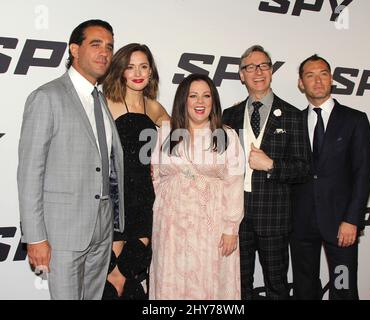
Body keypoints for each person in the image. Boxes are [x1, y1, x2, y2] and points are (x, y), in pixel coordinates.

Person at [17, 19, 125, 300]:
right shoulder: (47, 97)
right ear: (74, 50)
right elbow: (30, 172)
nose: (105, 52)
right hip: (63, 230)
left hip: (101, 227)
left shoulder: (99, 99)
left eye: (110, 47)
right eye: (96, 44)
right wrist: (36, 236)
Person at [222, 45, 309, 300]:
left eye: (263, 66)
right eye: (250, 67)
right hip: (236, 217)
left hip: (274, 217)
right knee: (239, 287)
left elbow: (304, 169)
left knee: (277, 287)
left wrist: (271, 164)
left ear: (271, 71)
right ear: (241, 75)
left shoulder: (293, 115)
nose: (257, 72)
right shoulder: (230, 115)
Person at [149, 74, 245, 299]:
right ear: (183, 100)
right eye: (193, 96)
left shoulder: (227, 136)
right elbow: (156, 177)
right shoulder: (165, 132)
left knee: (209, 285)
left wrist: (231, 228)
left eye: (206, 96)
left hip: (213, 227)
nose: (200, 102)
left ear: (214, 101)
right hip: (170, 227)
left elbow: (235, 182)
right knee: (170, 281)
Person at [290, 54, 370, 300]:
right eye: (310, 75)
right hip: (301, 224)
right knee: (305, 288)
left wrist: (352, 219)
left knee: (343, 286)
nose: (317, 81)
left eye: (323, 74)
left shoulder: (354, 120)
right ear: (300, 83)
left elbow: (364, 173)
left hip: (341, 225)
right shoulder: (293, 121)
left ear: (331, 79)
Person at [101, 43, 169, 299]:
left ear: (151, 72)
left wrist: (217, 121)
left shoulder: (155, 108)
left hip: (145, 200)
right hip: (114, 202)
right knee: (109, 276)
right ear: (120, 71)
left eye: (144, 66)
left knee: (131, 268)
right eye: (130, 67)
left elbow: (183, 142)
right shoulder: (105, 104)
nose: (138, 72)